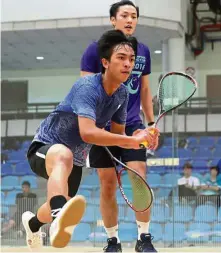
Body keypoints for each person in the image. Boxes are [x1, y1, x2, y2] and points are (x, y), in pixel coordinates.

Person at [22, 29, 158, 250]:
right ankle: (57, 221)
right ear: (105, 62)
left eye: (131, 59)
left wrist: (140, 138)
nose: (128, 64)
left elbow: (117, 137)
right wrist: (133, 141)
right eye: (121, 58)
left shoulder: (122, 94)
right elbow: (88, 133)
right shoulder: (87, 87)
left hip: (73, 161)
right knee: (63, 156)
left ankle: (33, 223)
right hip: (45, 148)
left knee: (60, 198)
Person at [81, 1, 158, 252]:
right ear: (113, 20)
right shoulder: (94, 51)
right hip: (102, 131)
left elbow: (145, 89)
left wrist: (150, 123)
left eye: (134, 16)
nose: (130, 19)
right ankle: (112, 241)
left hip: (133, 127)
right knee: (108, 184)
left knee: (139, 177)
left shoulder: (143, 51)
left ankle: (143, 238)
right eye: (124, 15)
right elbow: (86, 91)